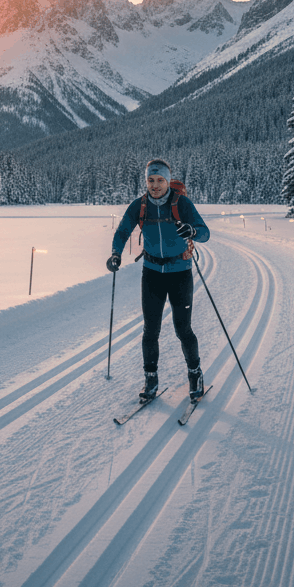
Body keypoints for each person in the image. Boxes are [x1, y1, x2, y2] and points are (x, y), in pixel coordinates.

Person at [106, 158, 211, 403]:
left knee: (183, 329)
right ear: (146, 181)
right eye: (150, 180)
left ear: (167, 181)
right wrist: (115, 253)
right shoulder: (139, 206)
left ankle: (195, 374)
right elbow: (123, 231)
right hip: (152, 272)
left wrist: (192, 231)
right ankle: (150, 378)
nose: (155, 185)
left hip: (180, 272)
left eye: (160, 180)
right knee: (150, 330)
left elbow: (204, 232)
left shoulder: (181, 203)